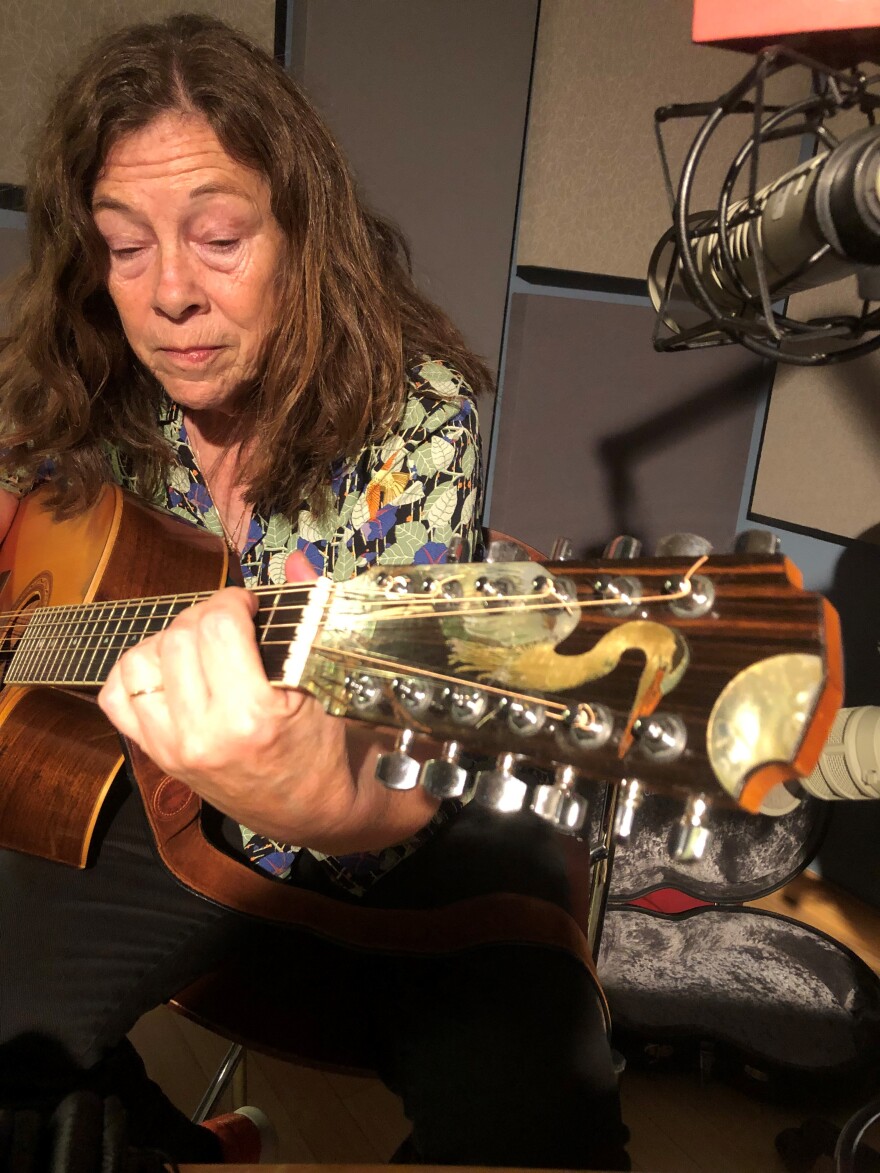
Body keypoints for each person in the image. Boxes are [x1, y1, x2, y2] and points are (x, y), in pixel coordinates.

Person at [0, 14, 629, 1169]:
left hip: (401, 832)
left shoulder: (415, 414)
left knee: (536, 1129)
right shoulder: (93, 389)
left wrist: (305, 788)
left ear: (300, 227)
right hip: (147, 801)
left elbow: (397, 778)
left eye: (220, 235)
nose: (169, 295)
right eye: (123, 245)